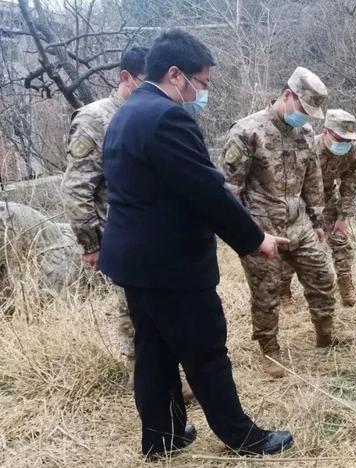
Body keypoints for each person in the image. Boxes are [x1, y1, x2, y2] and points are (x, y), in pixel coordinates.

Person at [99, 29, 293, 458]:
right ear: (175, 74)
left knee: (154, 353)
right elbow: (205, 190)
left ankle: (160, 438)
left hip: (135, 264)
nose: (201, 92)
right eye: (201, 83)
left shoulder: (125, 114)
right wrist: (254, 238)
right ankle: (241, 437)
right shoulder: (168, 118)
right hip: (172, 267)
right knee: (206, 351)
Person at [60, 47, 196, 396]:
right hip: (118, 237)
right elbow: (77, 187)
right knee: (136, 316)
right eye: (144, 81)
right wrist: (90, 242)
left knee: (165, 310)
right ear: (126, 78)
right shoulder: (95, 119)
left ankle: (165, 382)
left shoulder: (155, 114)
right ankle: (153, 391)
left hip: (155, 236)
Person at [221, 67, 343, 379]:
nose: (305, 118)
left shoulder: (303, 135)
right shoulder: (247, 132)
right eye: (303, 110)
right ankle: (270, 352)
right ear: (287, 96)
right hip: (260, 230)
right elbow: (229, 191)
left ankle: (326, 335)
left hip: (299, 225)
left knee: (323, 277)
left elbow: (312, 183)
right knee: (267, 292)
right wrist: (245, 235)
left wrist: (316, 221)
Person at [280, 109, 356, 308]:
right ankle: (283, 291)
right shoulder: (305, 147)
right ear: (325, 132)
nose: (344, 143)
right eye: (339, 138)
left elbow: (351, 184)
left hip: (327, 199)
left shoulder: (351, 151)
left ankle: (345, 284)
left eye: (348, 139)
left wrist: (342, 217)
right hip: (300, 202)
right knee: (292, 243)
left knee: (340, 239)